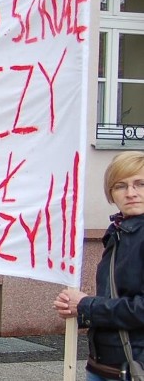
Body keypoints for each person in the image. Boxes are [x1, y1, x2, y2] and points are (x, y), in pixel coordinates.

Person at [54, 151, 144, 381]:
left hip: (132, 369)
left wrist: (85, 306)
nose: (131, 193)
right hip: (104, 365)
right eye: (121, 186)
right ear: (111, 194)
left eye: (140, 184)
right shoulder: (119, 232)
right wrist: (77, 308)